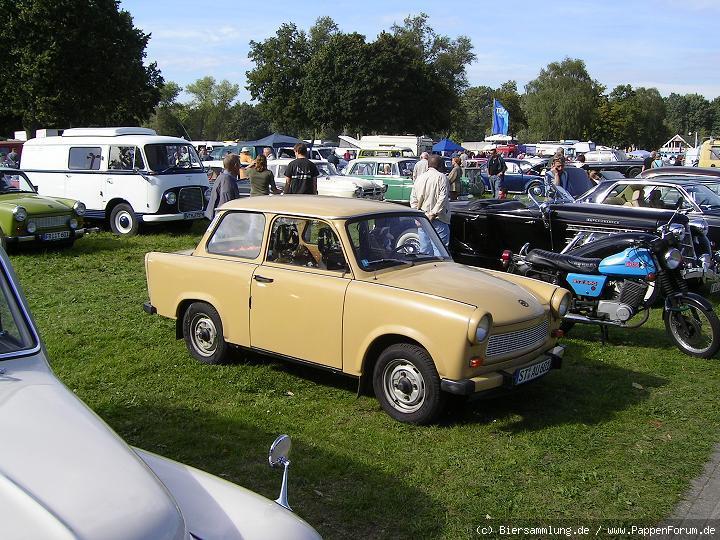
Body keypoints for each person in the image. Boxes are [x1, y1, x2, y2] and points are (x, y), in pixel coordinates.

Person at [410, 154, 450, 250]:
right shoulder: (442, 177)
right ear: (440, 166)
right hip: (438, 218)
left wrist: (417, 214)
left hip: (422, 217)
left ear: (428, 165)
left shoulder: (419, 178)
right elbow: (442, 198)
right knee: (440, 250)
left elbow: (413, 198)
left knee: (425, 250)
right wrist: (432, 214)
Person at [205, 153, 241, 219]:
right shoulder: (227, 180)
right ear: (236, 165)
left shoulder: (222, 177)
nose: (240, 167)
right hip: (224, 219)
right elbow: (227, 204)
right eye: (240, 165)